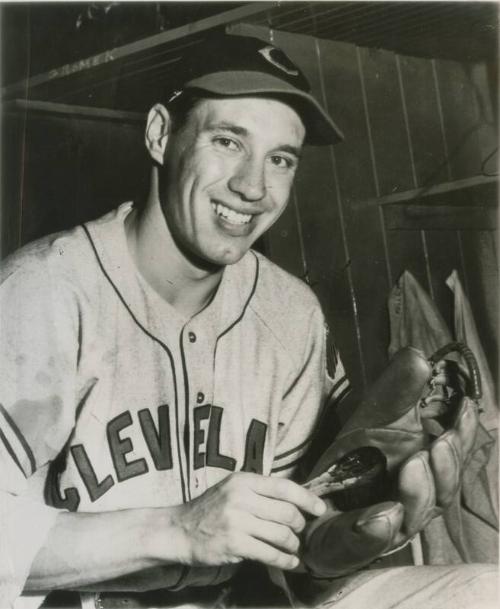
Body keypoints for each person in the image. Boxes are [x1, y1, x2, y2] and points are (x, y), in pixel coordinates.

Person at [0, 34, 496, 609]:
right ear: (162, 134)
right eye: (228, 141)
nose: (253, 187)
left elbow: (298, 543)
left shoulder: (290, 313)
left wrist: (331, 538)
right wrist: (177, 530)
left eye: (280, 158)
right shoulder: (40, 294)